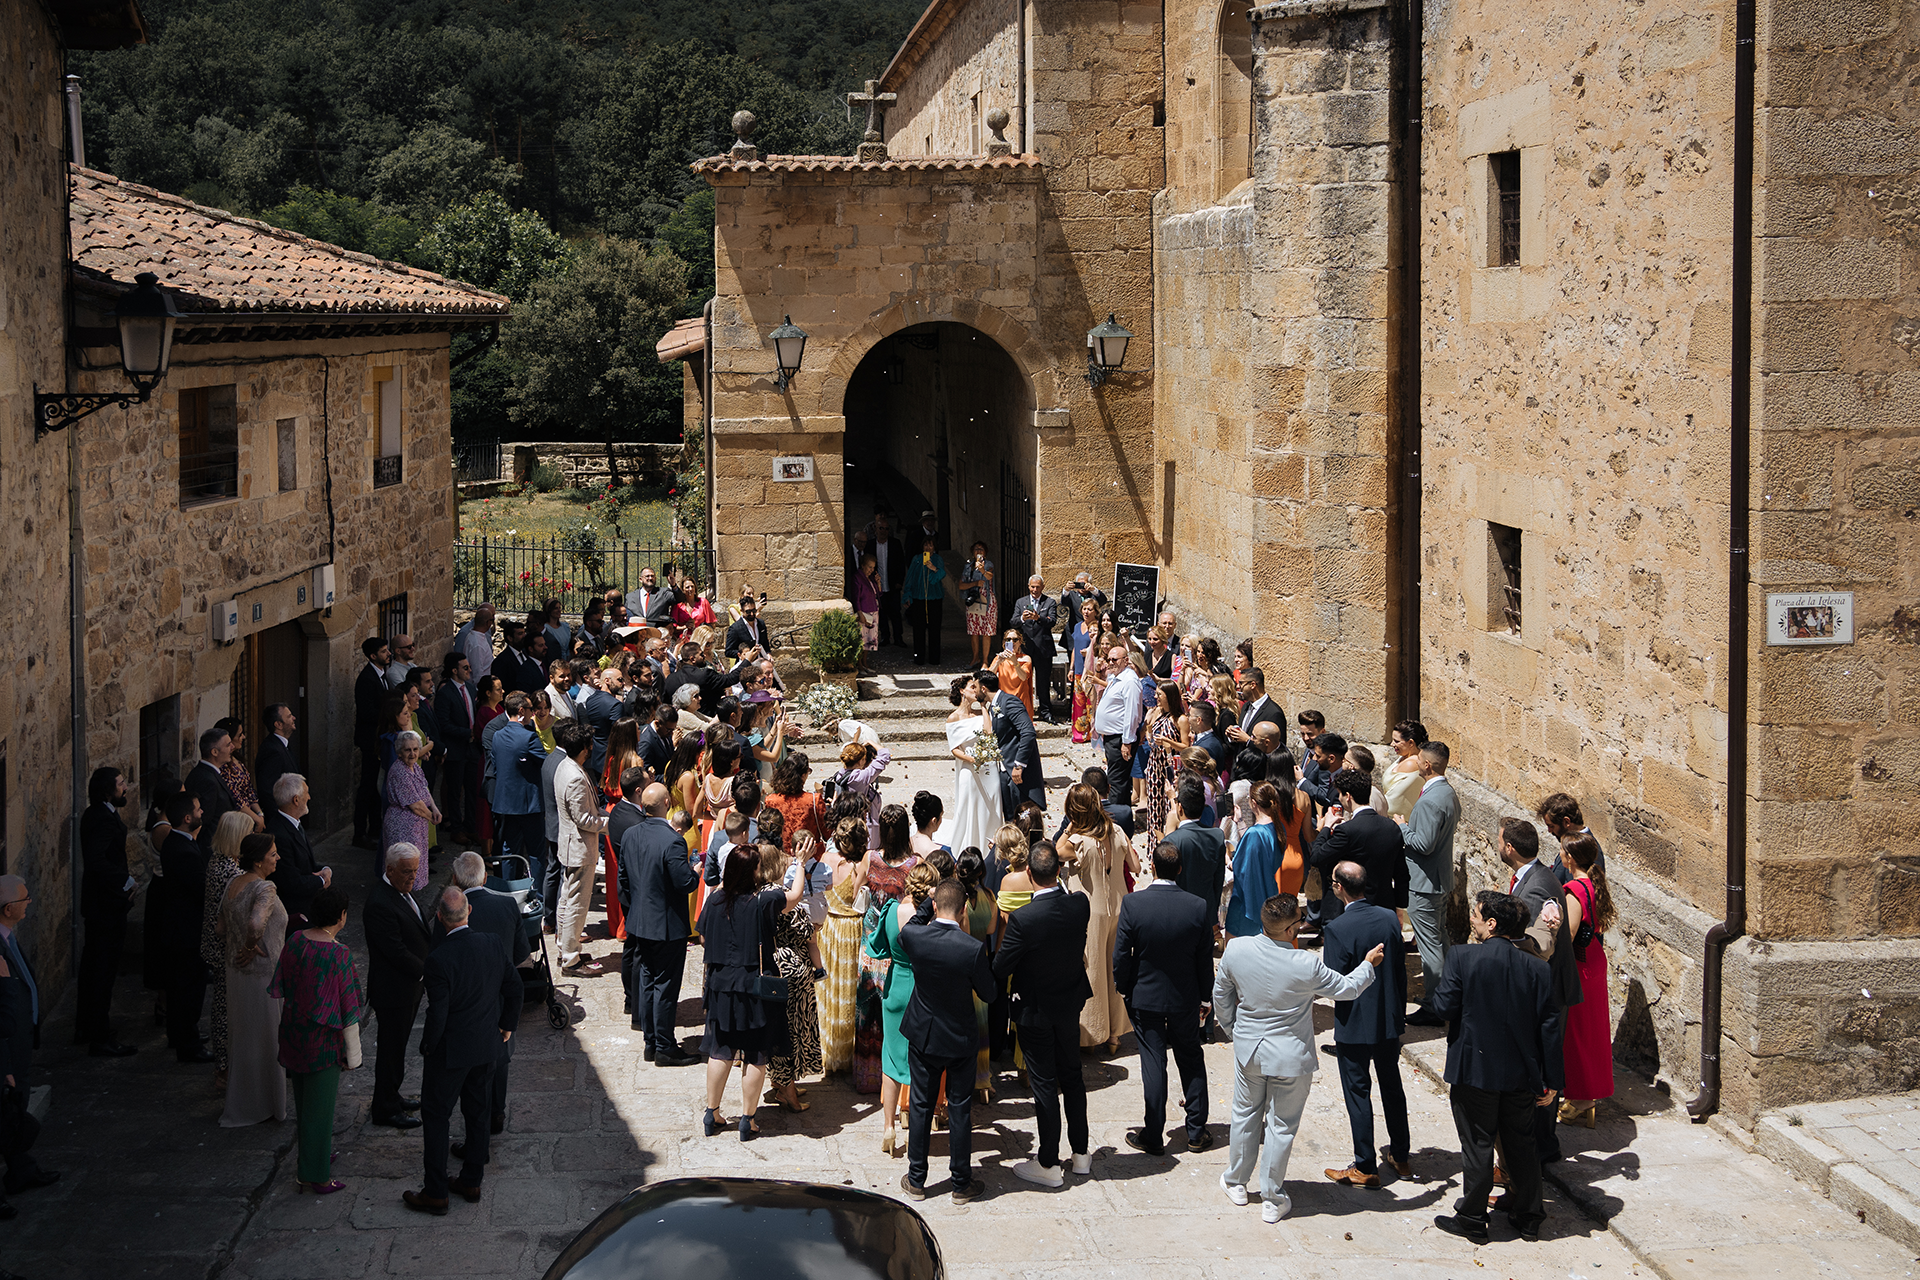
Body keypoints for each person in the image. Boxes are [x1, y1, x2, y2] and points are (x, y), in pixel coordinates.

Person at [1214, 894, 1384, 1223]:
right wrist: (1367, 964)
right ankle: (1272, 1197)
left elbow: (1222, 994)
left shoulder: (1237, 950)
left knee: (1245, 1115)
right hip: (1290, 1057)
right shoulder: (1305, 964)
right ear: (1292, 928)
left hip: (1250, 1049)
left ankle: (1236, 1181)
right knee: (1281, 1127)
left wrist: (1233, 1029)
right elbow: (1347, 988)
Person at [1430, 892, 1558, 1244]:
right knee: (1521, 1144)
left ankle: (1472, 1217)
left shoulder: (1462, 957)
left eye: (1476, 914)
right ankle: (1530, 1216)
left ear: (1492, 924)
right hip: (1521, 1073)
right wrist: (1551, 1080)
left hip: (1474, 1070)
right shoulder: (1537, 968)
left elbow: (1443, 1007)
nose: (1471, 919)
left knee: (1477, 1144)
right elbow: (1549, 1027)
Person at [403, 888, 523, 1216]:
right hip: (486, 1046)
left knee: (437, 1116)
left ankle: (436, 1191)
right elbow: (515, 988)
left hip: (450, 1052)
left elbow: (438, 1013)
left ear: (440, 918)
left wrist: (428, 1046)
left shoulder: (439, 959)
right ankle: (472, 1180)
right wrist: (507, 1025)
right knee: (478, 1112)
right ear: (468, 911)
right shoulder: (492, 944)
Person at [995, 842, 1093, 1187]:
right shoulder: (1079, 904)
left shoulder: (1024, 919)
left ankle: (1049, 1162)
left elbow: (1001, 964)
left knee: (1044, 1084)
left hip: (1035, 1009)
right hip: (1069, 1003)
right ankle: (1080, 1153)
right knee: (1072, 1075)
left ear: (1028, 875)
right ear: (1058, 872)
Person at [896, 880, 997, 1204]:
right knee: (959, 1109)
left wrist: (927, 902)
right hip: (959, 1037)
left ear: (936, 907)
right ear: (964, 908)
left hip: (924, 1034)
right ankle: (960, 1183)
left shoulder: (916, 936)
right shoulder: (970, 949)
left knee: (921, 1106)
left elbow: (910, 925)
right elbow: (989, 993)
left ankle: (916, 1179)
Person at [1114, 842, 1214, 1156]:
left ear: (1152, 867)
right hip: (1185, 997)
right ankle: (1196, 1131)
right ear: (1180, 869)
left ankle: (1153, 1134)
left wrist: (1124, 987)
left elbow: (1121, 955)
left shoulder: (1133, 904)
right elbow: (1204, 960)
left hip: (1145, 996)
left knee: (1153, 1062)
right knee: (1190, 1058)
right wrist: (1205, 998)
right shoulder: (1198, 906)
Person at [697, 846, 803, 1141]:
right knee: (756, 1053)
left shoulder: (715, 900)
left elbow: (704, 936)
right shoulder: (763, 901)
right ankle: (748, 1119)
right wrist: (801, 864)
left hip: (721, 986)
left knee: (721, 1049)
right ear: (753, 872)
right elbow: (794, 896)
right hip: (754, 988)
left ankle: (712, 1112)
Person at [1320, 862, 1410, 1188]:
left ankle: (1365, 1164)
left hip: (1354, 1023)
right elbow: (1399, 971)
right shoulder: (1389, 917)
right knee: (1391, 1087)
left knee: (1358, 1092)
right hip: (1387, 1018)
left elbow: (1334, 983)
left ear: (1340, 887)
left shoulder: (1337, 928)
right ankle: (1401, 1155)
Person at [271, 886, 362, 1195]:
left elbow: (280, 983)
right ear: (342, 917)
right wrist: (354, 1055)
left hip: (293, 1033)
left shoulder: (296, 941)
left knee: (304, 1104)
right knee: (321, 1110)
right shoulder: (338, 954)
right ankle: (317, 1175)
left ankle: (313, 1157)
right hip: (323, 1042)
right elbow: (350, 1009)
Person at [1501, 816, 1581, 1168]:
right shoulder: (1536, 876)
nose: (1498, 845)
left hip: (1545, 992)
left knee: (1542, 1067)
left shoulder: (1535, 888)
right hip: (1547, 988)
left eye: (1500, 841)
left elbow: (1533, 945)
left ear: (1511, 848)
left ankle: (1542, 1144)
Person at [439, 852, 530, 1140]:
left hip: (461, 1006)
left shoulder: (447, 912)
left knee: (469, 1071)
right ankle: (496, 1112)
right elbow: (521, 955)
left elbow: (436, 959)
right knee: (500, 1058)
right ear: (486, 877)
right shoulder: (506, 905)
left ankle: (476, 1128)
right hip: (499, 998)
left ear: (455, 879)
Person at [619, 783, 700, 1066]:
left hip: (640, 922)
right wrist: (695, 872)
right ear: (667, 802)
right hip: (666, 925)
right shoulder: (672, 840)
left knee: (647, 980)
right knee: (665, 986)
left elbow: (623, 881)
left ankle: (651, 1042)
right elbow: (684, 883)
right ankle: (665, 1046)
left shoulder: (630, 835)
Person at [870, 861, 940, 1156]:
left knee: (891, 1060)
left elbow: (878, 948)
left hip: (896, 986)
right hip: (923, 988)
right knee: (919, 1062)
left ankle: (888, 1127)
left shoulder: (890, 911)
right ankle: (915, 1131)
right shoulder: (932, 918)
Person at [1057, 785, 1135, 1051]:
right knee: (1116, 967)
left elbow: (1056, 852)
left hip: (1092, 909)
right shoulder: (1118, 831)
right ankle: (1115, 1034)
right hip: (1120, 906)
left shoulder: (1079, 841)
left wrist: (1069, 827)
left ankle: (1092, 1033)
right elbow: (1135, 865)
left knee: (1093, 969)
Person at [362, 843, 429, 1130]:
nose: (412, 876)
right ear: (389, 870)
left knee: (398, 1049)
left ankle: (392, 1095)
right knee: (390, 1052)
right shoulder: (380, 903)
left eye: (415, 870)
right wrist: (428, 972)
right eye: (406, 871)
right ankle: (385, 1108)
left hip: (408, 988)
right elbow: (395, 951)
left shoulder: (402, 892)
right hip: (394, 991)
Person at [1398, 741, 1461, 1026]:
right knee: (1441, 939)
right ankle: (1451, 995)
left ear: (1428, 765)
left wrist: (1402, 827)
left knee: (1429, 946)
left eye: (1420, 760)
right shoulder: (1447, 793)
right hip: (1439, 879)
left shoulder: (1430, 800)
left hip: (1424, 884)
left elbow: (1423, 844)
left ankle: (1435, 1005)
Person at [77, 766, 138, 1056]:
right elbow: (96, 860)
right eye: (120, 784)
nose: (125, 788)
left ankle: (88, 1026)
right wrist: (125, 881)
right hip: (105, 908)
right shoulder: (101, 818)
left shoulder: (100, 813)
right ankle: (99, 1036)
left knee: (94, 969)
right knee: (101, 972)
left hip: (102, 906)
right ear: (107, 790)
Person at [220, 875, 289, 1128]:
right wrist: (250, 946)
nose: (277, 857)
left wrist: (239, 945)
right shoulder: (266, 887)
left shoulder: (232, 884)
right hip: (262, 973)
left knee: (244, 1037)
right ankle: (268, 1104)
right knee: (267, 1038)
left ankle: (244, 1100)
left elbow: (220, 927)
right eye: (272, 854)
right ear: (260, 861)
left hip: (236, 973)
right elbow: (255, 924)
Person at [1558, 834, 1615, 1127]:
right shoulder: (1594, 884)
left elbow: (1566, 935)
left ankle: (1582, 1097)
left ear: (1569, 858)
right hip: (1594, 957)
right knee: (1593, 1030)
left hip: (1580, 964)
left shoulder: (1573, 891)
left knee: (1577, 1033)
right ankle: (1587, 1093)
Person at [765, 838, 823, 1113]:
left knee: (783, 1029)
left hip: (774, 968)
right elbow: (809, 934)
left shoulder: (759, 896)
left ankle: (780, 1083)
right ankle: (789, 1093)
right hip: (793, 972)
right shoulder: (781, 898)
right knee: (791, 1032)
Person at [159, 792, 215, 1063]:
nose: (202, 811)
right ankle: (188, 1044)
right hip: (186, 932)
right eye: (197, 809)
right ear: (187, 818)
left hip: (181, 929)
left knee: (183, 988)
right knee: (188, 991)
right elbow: (203, 890)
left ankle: (181, 1035)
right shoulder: (183, 851)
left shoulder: (180, 843)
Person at [553, 720, 611, 974]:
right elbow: (584, 819)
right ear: (585, 749)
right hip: (578, 848)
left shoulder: (565, 765)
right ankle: (570, 958)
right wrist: (610, 823)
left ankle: (565, 946)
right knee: (576, 903)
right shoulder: (575, 775)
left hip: (571, 846)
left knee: (567, 899)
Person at [201, 810, 254, 1081]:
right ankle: (225, 1066)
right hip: (225, 946)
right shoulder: (229, 871)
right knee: (225, 1006)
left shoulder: (219, 861)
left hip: (216, 944)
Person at [1310, 768, 1408, 917]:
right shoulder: (1392, 827)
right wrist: (1400, 908)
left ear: (1348, 796)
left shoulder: (1347, 831)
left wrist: (1326, 827)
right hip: (1385, 906)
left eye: (1340, 795)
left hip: (1356, 908)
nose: (1340, 800)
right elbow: (1401, 873)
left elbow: (1317, 857)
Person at [818, 818, 874, 1073]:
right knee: (850, 991)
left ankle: (827, 1050)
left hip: (829, 928)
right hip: (852, 930)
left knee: (828, 990)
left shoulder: (825, 861)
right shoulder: (863, 865)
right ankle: (847, 1053)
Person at [488, 692, 552, 902]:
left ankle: (508, 894)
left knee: (509, 849)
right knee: (536, 853)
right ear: (522, 711)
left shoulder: (497, 735)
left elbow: (497, 765)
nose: (534, 713)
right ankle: (538, 897)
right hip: (529, 804)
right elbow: (546, 762)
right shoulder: (528, 736)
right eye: (532, 709)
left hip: (505, 803)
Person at [944, 674, 1003, 856]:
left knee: (991, 804)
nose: (975, 690)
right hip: (969, 767)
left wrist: (983, 706)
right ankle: (968, 848)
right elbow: (955, 749)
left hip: (988, 766)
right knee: (970, 805)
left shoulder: (980, 713)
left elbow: (988, 732)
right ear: (962, 691)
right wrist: (973, 760)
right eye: (972, 687)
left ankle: (991, 847)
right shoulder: (953, 718)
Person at [266, 775, 331, 933]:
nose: (309, 797)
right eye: (306, 793)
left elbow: (307, 864)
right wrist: (322, 881)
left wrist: (326, 869)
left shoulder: (293, 825)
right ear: (296, 800)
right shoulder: (280, 834)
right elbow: (291, 882)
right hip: (296, 914)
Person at [1164, 779, 1227, 926]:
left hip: (1178, 914)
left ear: (1180, 808)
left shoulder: (1171, 841)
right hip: (1206, 910)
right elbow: (1218, 879)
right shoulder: (1217, 836)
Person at [981, 669, 1043, 817]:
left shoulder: (1009, 702)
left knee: (1023, 817)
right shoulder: (992, 706)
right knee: (1009, 816)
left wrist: (1019, 764)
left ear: (983, 688)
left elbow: (1028, 732)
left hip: (1017, 772)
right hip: (1004, 769)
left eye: (975, 687)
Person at [1225, 783, 1284, 938]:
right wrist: (1240, 822)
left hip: (1247, 902)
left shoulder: (1254, 834)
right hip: (1268, 893)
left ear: (1254, 803)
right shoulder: (1277, 828)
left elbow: (1239, 866)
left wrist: (1228, 860)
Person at [383, 732, 440, 891]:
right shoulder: (400, 771)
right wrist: (432, 817)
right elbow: (415, 805)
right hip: (403, 824)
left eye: (415, 749)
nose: (413, 753)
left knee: (414, 862)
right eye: (408, 750)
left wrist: (434, 807)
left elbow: (424, 789)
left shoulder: (414, 766)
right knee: (404, 864)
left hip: (416, 824)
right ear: (399, 752)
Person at [1091, 644, 1145, 811]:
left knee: (1117, 781)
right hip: (1111, 737)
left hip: (1120, 738)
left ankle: (1117, 817)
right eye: (1109, 659)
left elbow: (1132, 712)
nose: (1111, 662)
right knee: (1116, 778)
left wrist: (1127, 741)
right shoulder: (1116, 677)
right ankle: (1122, 814)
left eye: (1115, 659)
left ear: (1126, 660)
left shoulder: (1129, 681)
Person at [435, 655, 479, 842]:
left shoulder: (470, 688)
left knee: (472, 789)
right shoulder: (446, 693)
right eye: (465, 667)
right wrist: (466, 733)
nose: (469, 670)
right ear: (455, 670)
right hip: (456, 748)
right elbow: (443, 724)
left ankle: (470, 825)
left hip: (471, 749)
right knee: (455, 790)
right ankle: (456, 827)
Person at [354, 637, 393, 849]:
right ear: (373, 656)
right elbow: (367, 711)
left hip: (378, 739)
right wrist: (389, 714)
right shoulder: (367, 679)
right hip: (370, 741)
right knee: (367, 787)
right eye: (384, 651)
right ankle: (360, 832)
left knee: (376, 786)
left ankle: (375, 828)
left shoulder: (381, 675)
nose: (388, 654)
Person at [1141, 681, 1189, 836]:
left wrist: (1169, 742)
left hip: (1171, 767)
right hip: (1155, 764)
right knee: (1154, 808)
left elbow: (1186, 746)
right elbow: (1151, 736)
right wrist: (1148, 730)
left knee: (1170, 807)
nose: (1155, 697)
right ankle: (1154, 846)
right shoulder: (1157, 712)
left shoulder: (1180, 719)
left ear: (1169, 696)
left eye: (1159, 694)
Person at [1011, 576, 1059, 722]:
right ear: (1028, 586)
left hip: (1043, 648)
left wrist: (1038, 618)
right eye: (1032, 587)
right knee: (1023, 681)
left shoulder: (1049, 602)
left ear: (1042, 587)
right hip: (1025, 648)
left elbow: (1053, 622)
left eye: (1038, 587)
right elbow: (1013, 622)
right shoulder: (1021, 602)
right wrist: (1022, 619)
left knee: (1043, 682)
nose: (1035, 590)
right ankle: (1023, 711)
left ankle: (1046, 711)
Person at [1536, 792, 1608, 883]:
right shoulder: (1571, 844)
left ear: (1566, 822)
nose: (1549, 831)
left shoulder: (1585, 849)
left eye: (1552, 826)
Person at [185, 726, 240, 836]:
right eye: (228, 745)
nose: (232, 747)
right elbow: (205, 821)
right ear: (214, 752)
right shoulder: (207, 780)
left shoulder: (210, 774)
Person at [903, 536, 947, 665]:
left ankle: (934, 658)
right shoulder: (916, 559)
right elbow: (910, 578)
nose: (928, 548)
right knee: (918, 629)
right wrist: (907, 595)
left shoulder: (938, 559)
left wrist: (932, 567)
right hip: (919, 598)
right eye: (926, 545)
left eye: (931, 545)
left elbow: (941, 574)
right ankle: (919, 657)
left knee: (934, 629)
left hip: (934, 598)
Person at [870, 512, 907, 648]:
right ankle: (885, 636)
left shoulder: (895, 544)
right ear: (876, 529)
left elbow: (900, 564)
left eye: (886, 529)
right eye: (881, 528)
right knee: (881, 613)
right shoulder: (870, 545)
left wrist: (899, 582)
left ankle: (898, 637)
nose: (884, 531)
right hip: (878, 586)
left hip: (892, 585)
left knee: (895, 612)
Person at [1066, 598, 1100, 743]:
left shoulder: (1098, 627)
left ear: (1096, 612)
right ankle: (1080, 734)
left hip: (1092, 671)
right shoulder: (1077, 626)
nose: (1086, 612)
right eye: (1084, 609)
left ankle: (1093, 734)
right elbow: (1074, 648)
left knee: (1092, 703)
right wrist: (1071, 668)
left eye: (1090, 609)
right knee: (1079, 703)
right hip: (1079, 670)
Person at [959, 541, 997, 668]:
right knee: (974, 631)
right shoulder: (968, 567)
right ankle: (975, 657)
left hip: (988, 601)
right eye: (976, 549)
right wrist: (975, 584)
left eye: (981, 549)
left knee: (987, 631)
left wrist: (982, 570)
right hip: (974, 599)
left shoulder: (989, 564)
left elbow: (990, 576)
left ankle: (985, 661)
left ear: (985, 552)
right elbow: (961, 584)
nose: (979, 551)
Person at [1226, 667, 1284, 746]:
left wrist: (1248, 741)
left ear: (1252, 685)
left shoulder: (1273, 712)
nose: (1238, 687)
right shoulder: (1246, 706)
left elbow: (1276, 747)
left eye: (1241, 683)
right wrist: (1234, 734)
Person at [255, 703, 299, 806]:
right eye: (289, 716)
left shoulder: (283, 745)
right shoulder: (272, 750)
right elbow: (267, 790)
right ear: (278, 724)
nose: (294, 718)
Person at [1382, 719, 1427, 818]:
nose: (1392, 744)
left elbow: (1395, 801)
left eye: (1397, 741)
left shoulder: (1412, 763)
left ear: (1411, 743)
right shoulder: (1404, 756)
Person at [992, 628, 1036, 718]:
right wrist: (997, 663)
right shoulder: (999, 658)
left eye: (1015, 640)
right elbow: (987, 677)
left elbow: (1024, 677)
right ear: (1004, 643)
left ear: (1020, 642)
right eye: (1008, 640)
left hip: (1021, 700)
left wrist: (1015, 662)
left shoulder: (1026, 658)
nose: (1012, 642)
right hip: (1004, 700)